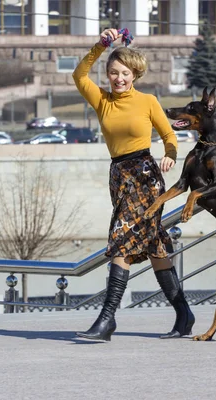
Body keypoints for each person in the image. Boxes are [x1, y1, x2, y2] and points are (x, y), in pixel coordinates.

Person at [73, 29, 195, 342]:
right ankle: (184, 313)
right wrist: (102, 45)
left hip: (146, 175)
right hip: (119, 176)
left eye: (124, 73)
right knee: (153, 245)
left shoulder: (148, 101)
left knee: (120, 238)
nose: (118, 78)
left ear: (134, 74)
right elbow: (79, 73)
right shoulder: (102, 101)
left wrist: (170, 155)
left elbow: (169, 136)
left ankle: (107, 319)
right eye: (113, 73)